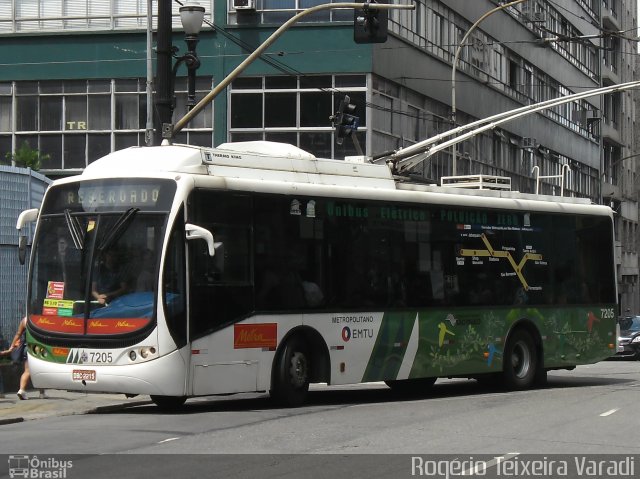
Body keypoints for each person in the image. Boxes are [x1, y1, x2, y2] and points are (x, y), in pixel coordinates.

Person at [9, 317, 47, 400]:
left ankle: (22, 390)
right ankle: (41, 393)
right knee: (40, 370)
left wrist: (12, 346)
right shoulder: (44, 319)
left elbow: (18, 334)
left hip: (27, 347)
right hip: (40, 348)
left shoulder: (25, 320)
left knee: (27, 371)